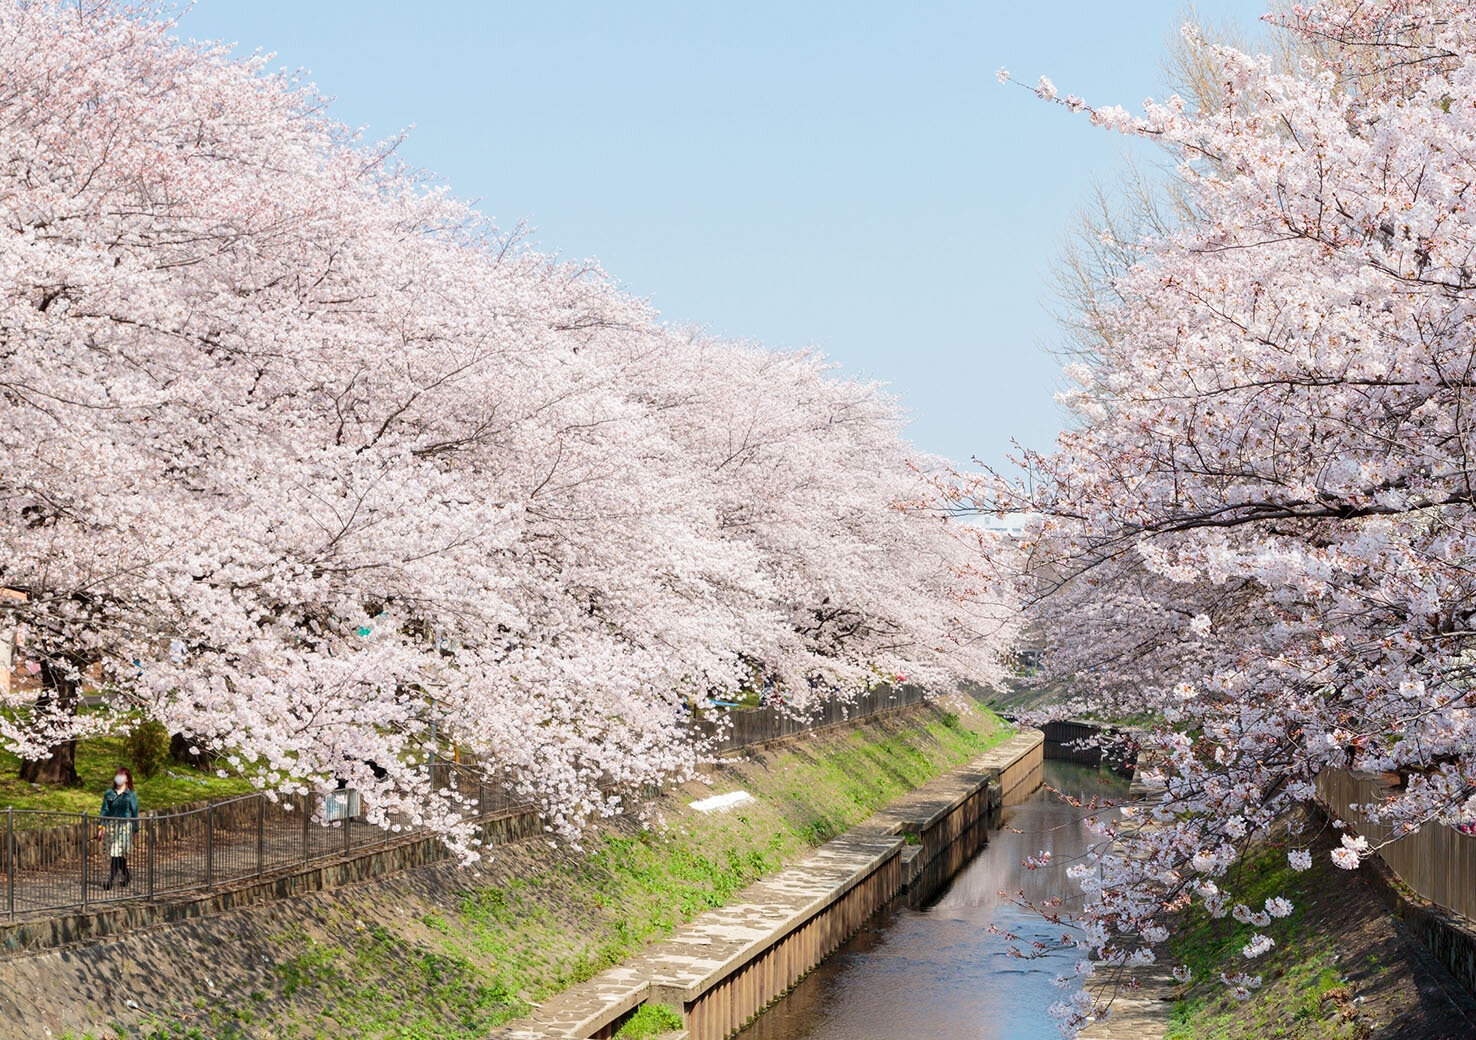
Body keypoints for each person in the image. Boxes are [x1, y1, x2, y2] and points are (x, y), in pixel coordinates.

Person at [99, 766, 139, 890]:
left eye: (122, 775)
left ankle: (110, 881)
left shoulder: (131, 794)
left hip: (124, 827)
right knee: (115, 854)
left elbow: (135, 812)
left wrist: (136, 829)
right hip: (112, 826)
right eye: (118, 775)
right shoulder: (109, 793)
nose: (119, 778)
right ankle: (127, 875)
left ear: (127, 779)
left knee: (116, 853)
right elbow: (105, 810)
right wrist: (102, 826)